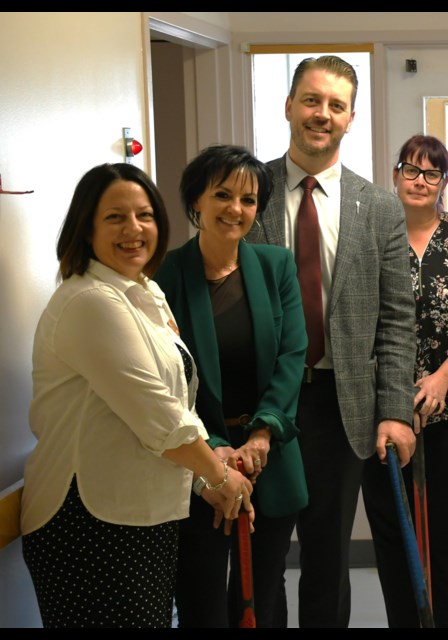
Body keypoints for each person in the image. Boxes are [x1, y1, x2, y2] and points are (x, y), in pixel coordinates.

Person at [20, 163, 252, 628]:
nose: (134, 229)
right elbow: (157, 414)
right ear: (86, 229)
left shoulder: (143, 291)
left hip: (141, 514)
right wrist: (215, 476)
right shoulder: (91, 302)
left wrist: (209, 461)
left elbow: (176, 400)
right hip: (88, 520)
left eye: (145, 215)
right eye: (114, 217)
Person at [244, 54, 417, 628]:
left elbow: (396, 319)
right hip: (262, 405)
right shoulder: (248, 193)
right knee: (262, 558)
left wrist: (395, 412)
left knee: (327, 557)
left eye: (335, 105)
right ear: (289, 106)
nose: (322, 114)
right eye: (312, 100)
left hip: (341, 408)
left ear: (350, 118)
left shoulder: (380, 207)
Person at [154, 145, 309, 628]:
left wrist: (261, 436)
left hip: (269, 458)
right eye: (223, 195)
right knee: (201, 596)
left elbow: (292, 356)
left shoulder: (275, 266)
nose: (236, 209)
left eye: (248, 200)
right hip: (199, 462)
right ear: (196, 201)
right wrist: (218, 449)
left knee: (263, 596)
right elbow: (168, 380)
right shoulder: (165, 276)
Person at [360, 134, 448, 627]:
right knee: (394, 528)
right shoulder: (371, 234)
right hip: (386, 409)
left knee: (446, 530)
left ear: (444, 182)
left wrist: (442, 379)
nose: (421, 181)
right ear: (396, 174)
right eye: (412, 170)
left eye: (433, 173)